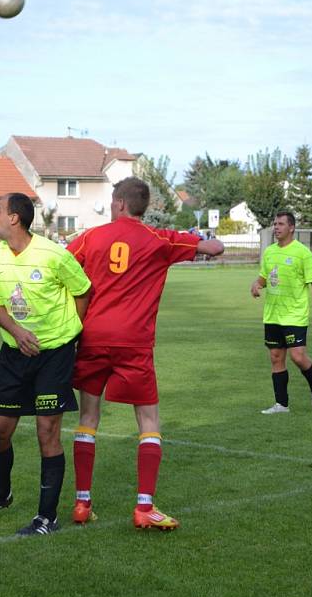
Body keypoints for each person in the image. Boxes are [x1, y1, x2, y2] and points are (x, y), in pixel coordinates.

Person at [66, 177, 224, 530]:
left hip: (91, 337)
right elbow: (215, 249)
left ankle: (81, 503)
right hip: (134, 343)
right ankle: (143, 507)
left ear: (120, 203)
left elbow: (62, 265)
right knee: (149, 422)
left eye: (111, 201)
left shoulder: (92, 237)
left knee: (88, 417)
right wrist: (205, 240)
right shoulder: (159, 239)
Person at [0, 192, 91, 536]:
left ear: (14, 218)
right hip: (13, 354)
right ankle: (0, 496)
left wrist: (70, 334)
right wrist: (17, 331)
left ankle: (46, 518)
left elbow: (83, 291)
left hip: (54, 355)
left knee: (47, 432)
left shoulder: (54, 254)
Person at [250, 211, 312, 415]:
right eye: (275, 224)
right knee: (276, 357)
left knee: (298, 357)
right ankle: (281, 405)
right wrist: (257, 284)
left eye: (281, 224)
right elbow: (265, 277)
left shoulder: (302, 253)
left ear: (291, 227)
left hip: (294, 314)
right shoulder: (269, 252)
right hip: (272, 314)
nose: (276, 227)